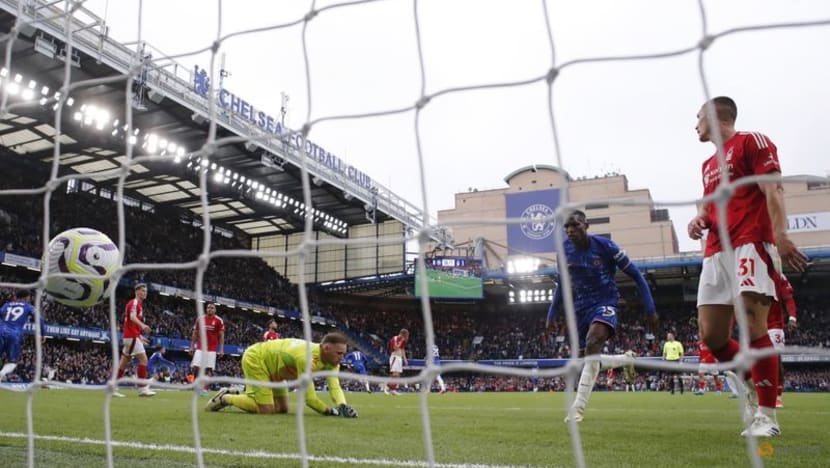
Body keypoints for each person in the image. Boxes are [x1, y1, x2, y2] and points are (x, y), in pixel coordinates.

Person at [688, 96, 809, 437]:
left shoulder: (752, 142)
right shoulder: (707, 164)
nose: (695, 124)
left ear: (715, 116)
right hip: (715, 250)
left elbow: (773, 190)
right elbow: (713, 208)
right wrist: (700, 219)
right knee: (712, 336)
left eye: (698, 117)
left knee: (754, 324)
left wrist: (780, 235)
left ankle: (767, 416)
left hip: (751, 242)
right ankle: (759, 382)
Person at [546, 210, 658, 423]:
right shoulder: (563, 251)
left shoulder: (606, 247)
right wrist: (552, 312)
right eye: (567, 227)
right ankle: (625, 360)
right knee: (586, 359)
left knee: (593, 342)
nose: (570, 230)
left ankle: (577, 409)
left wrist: (650, 308)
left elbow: (636, 275)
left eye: (575, 225)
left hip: (605, 303)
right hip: (580, 309)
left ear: (586, 225)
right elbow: (562, 284)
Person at [205, 332, 357, 418]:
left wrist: (342, 405)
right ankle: (225, 398)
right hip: (257, 358)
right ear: (326, 349)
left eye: (343, 354)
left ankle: (239, 392)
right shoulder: (306, 358)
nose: (342, 358)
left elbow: (334, 386)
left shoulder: (332, 363)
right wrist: (330, 411)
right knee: (267, 410)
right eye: (339, 353)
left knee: (282, 408)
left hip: (276, 371)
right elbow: (310, 399)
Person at [114, 283, 155, 397]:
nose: (144, 293)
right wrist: (143, 326)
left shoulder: (138, 305)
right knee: (144, 360)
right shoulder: (134, 303)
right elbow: (132, 317)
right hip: (131, 337)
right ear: (136, 292)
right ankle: (142, 389)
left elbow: (131, 324)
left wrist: (140, 337)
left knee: (123, 364)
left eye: (145, 291)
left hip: (131, 336)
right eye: (142, 291)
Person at [0, 290, 45, 381]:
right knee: (12, 362)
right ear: (27, 297)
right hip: (14, 334)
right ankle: (2, 373)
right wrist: (43, 334)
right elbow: (40, 319)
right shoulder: (29, 307)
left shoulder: (6, 305)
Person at [767, 275, 796, 408]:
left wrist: (792, 318)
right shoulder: (751, 269)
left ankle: (778, 395)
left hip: (774, 325)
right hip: (755, 325)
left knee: (776, 359)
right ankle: (760, 393)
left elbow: (788, 298)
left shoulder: (778, 275)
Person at [189, 303, 225, 396]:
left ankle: (204, 388)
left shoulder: (218, 321)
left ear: (215, 310)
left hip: (212, 349)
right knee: (196, 367)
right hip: (200, 347)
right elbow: (195, 333)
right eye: (208, 308)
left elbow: (221, 336)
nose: (210, 309)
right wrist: (191, 346)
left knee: (209, 369)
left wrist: (221, 349)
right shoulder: (200, 319)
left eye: (212, 308)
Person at [385, 328, 408, 395]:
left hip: (399, 358)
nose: (406, 337)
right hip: (394, 357)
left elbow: (402, 349)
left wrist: (405, 359)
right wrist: (401, 341)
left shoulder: (402, 341)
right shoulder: (394, 338)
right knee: (395, 374)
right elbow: (395, 348)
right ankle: (386, 387)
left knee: (397, 375)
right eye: (405, 335)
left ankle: (393, 390)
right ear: (402, 334)